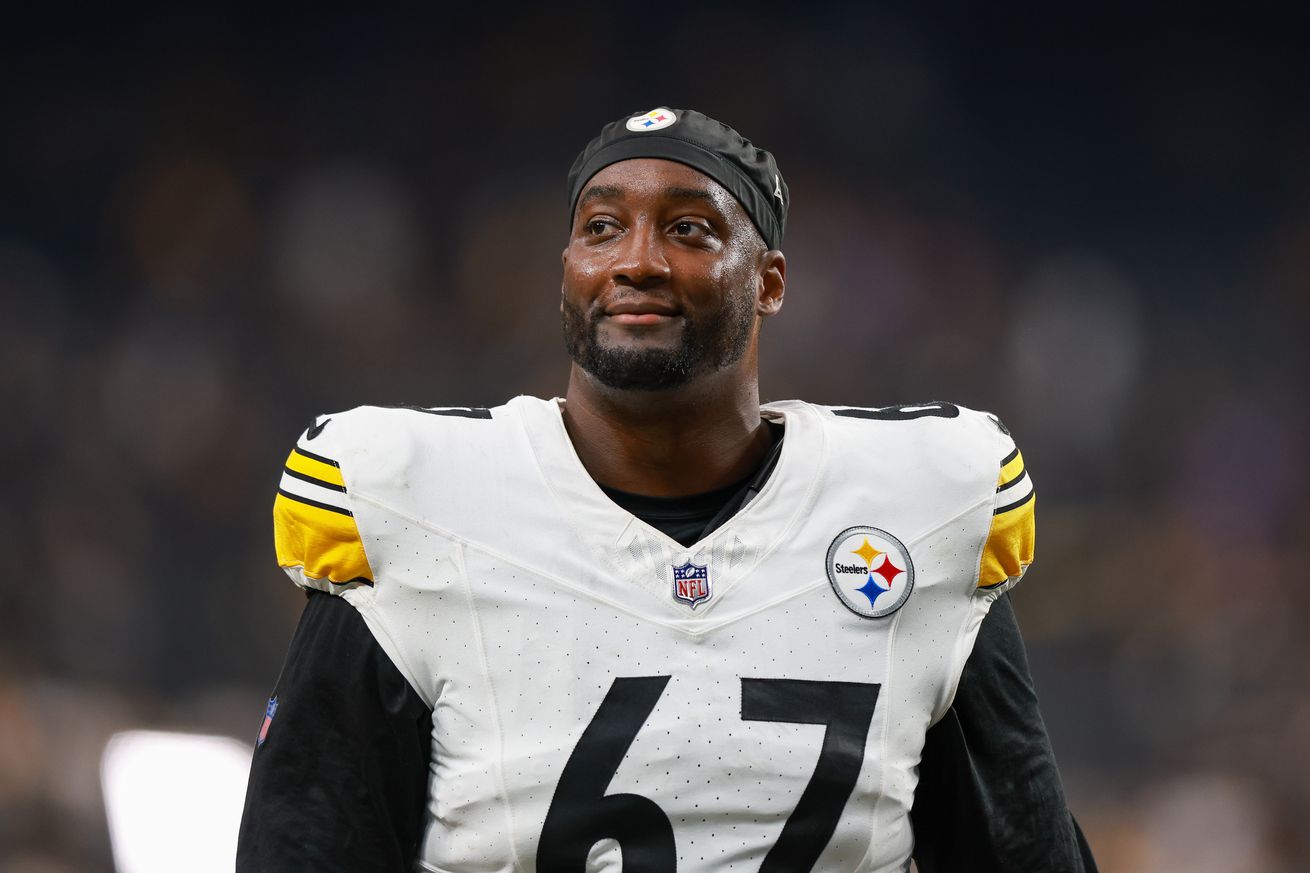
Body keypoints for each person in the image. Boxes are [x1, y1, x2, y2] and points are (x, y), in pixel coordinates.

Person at [237, 107, 1096, 872]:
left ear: (770, 282)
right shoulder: (415, 500)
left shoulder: (918, 509)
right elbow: (309, 841)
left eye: (688, 230)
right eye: (603, 228)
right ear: (567, 268)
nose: (636, 260)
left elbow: (1020, 847)